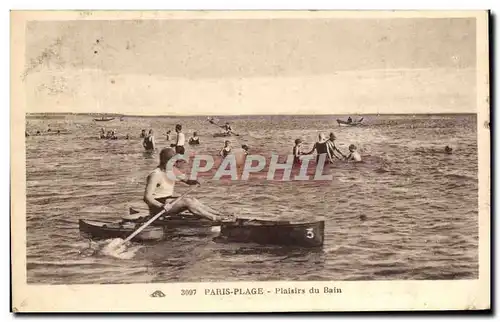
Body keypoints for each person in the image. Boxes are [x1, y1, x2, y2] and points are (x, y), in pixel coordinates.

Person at [143, 148, 232, 221]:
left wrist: (196, 181)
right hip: (158, 207)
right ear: (165, 161)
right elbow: (147, 197)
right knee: (187, 201)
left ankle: (218, 214)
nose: (174, 164)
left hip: (168, 202)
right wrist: (161, 206)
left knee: (192, 199)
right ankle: (215, 218)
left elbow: (187, 180)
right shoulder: (155, 175)